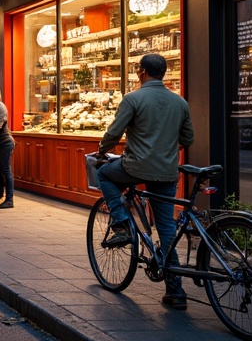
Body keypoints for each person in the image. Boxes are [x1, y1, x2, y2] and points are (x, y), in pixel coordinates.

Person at [95, 53, 196, 310]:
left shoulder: (133, 99)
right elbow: (188, 139)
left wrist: (102, 151)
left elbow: (114, 132)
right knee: (166, 230)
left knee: (104, 174)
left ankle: (120, 221)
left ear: (141, 72)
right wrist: (165, 148)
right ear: (163, 72)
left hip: (135, 168)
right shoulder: (179, 102)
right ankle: (176, 292)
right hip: (167, 172)